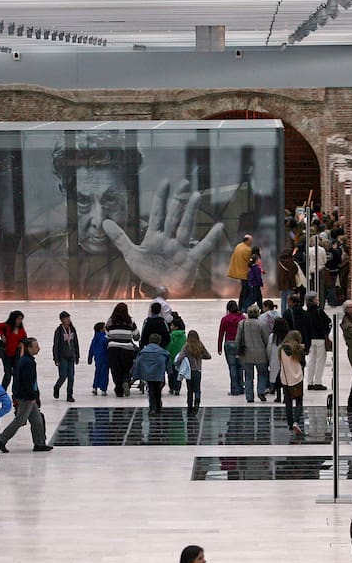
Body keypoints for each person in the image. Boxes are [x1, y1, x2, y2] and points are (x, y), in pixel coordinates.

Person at [46, 134, 223, 298]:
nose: (99, 221)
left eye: (111, 200)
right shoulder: (39, 258)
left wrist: (176, 290)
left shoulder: (168, 250)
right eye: (83, 200)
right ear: (64, 193)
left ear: (129, 194)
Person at [0, 338, 53, 453]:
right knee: (19, 420)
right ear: (29, 348)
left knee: (37, 420)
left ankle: (39, 443)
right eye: (36, 346)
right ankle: (1, 440)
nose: (38, 348)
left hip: (27, 396)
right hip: (26, 397)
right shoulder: (27, 362)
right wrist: (32, 396)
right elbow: (28, 381)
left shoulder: (26, 360)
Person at [234, 306, 270, 403]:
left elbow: (238, 340)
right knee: (262, 373)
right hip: (261, 354)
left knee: (248, 376)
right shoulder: (261, 324)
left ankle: (249, 396)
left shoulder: (242, 324)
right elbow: (266, 339)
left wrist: (238, 351)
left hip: (246, 354)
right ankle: (261, 391)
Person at [131, 333, 170, 416]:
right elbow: (167, 359)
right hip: (159, 374)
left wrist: (134, 374)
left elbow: (138, 362)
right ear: (159, 342)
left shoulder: (143, 352)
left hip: (148, 374)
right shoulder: (162, 352)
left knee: (151, 390)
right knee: (158, 390)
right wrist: (169, 371)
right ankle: (158, 407)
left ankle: (152, 408)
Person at [105, 303, 139, 397]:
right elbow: (136, 336)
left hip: (113, 348)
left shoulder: (110, 321)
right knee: (126, 369)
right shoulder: (130, 322)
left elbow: (107, 334)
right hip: (127, 349)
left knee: (115, 370)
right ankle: (126, 382)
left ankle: (119, 390)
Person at [0, 310, 28, 390]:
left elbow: (25, 339)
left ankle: (15, 394)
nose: (20, 321)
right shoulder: (6, 326)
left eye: (21, 319)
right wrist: (2, 334)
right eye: (18, 319)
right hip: (6, 354)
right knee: (8, 374)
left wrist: (22, 345)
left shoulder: (21, 329)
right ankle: (2, 391)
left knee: (16, 374)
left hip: (16, 355)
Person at [279, 330, 306, 435]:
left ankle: (290, 424)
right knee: (299, 401)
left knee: (288, 402)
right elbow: (303, 363)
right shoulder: (298, 350)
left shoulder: (281, 349)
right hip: (297, 378)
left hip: (285, 379)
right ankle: (296, 421)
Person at [216, 301, 246, 397]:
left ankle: (234, 389)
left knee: (232, 367)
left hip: (229, 344)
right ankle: (241, 387)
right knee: (240, 367)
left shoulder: (225, 319)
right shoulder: (242, 318)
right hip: (240, 344)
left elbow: (221, 333)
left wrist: (219, 347)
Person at [179, 330, 212, 412]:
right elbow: (208, 356)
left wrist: (177, 363)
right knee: (197, 388)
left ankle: (189, 404)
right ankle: (197, 402)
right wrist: (200, 356)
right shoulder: (200, 345)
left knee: (189, 389)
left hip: (189, 371)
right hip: (197, 370)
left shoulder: (186, 346)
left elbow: (181, 356)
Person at [51, 311, 80, 402]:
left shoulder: (72, 329)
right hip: (62, 357)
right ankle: (57, 387)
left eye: (68, 318)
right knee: (63, 376)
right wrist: (55, 358)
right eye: (66, 318)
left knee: (71, 377)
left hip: (71, 356)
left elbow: (76, 343)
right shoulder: (59, 330)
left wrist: (77, 355)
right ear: (62, 320)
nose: (68, 320)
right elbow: (55, 345)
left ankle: (69, 395)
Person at [305, 296, 331, 390]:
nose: (318, 301)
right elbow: (328, 322)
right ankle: (318, 382)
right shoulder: (320, 311)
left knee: (311, 360)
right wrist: (326, 332)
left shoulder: (306, 313)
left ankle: (309, 382)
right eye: (316, 299)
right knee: (320, 361)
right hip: (320, 339)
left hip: (310, 339)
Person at [227, 234, 254, 312]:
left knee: (243, 291)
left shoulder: (238, 246)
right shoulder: (247, 250)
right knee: (247, 291)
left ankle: (241, 306)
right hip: (245, 273)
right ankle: (243, 307)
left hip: (240, 272)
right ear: (247, 240)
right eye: (250, 241)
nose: (251, 242)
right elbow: (250, 261)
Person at [88, 322, 110, 396]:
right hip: (104, 358)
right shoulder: (104, 337)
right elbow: (106, 343)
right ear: (101, 329)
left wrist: (90, 358)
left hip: (97, 359)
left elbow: (91, 349)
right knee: (104, 374)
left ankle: (95, 387)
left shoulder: (94, 338)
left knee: (97, 373)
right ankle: (103, 389)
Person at [166, 317, 187, 395]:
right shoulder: (184, 336)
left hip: (171, 358)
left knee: (171, 374)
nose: (170, 327)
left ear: (176, 327)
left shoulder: (171, 336)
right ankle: (177, 389)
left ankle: (171, 388)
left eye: (172, 325)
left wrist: (166, 352)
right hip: (180, 358)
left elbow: (169, 346)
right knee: (178, 373)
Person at [277, 248, 299, 313]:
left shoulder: (280, 261)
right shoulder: (290, 262)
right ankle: (290, 313)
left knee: (283, 299)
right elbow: (294, 272)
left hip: (282, 283)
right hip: (289, 283)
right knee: (290, 300)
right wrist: (294, 284)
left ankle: (283, 313)